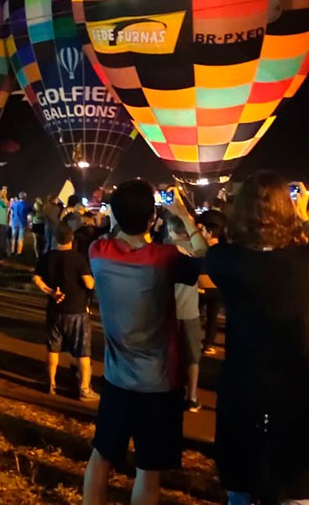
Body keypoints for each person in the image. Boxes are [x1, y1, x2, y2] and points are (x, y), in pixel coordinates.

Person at [204, 172, 309, 505]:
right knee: (298, 489)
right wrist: (306, 219)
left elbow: (208, 250)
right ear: (288, 210)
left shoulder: (225, 259)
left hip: (242, 389)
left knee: (240, 488)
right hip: (296, 391)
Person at [82, 181, 209, 505]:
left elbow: (111, 232)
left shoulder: (97, 252)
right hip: (159, 384)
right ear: (154, 217)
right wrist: (182, 214)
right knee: (148, 471)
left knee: (102, 457)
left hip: (116, 379)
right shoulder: (165, 258)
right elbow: (210, 267)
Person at [32, 222, 97, 400]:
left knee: (53, 349)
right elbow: (88, 283)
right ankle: (84, 389)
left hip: (54, 310)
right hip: (76, 311)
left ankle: (51, 384)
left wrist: (51, 292)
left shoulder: (47, 257)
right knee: (82, 351)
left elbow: (36, 278)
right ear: (72, 239)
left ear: (55, 238)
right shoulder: (78, 259)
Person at [164, 213, 202, 412]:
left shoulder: (165, 251)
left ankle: (168, 392)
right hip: (190, 311)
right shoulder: (197, 250)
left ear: (170, 229)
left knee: (167, 354)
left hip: (167, 311)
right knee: (192, 357)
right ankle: (192, 396)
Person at [196, 209, 227, 355]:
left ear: (208, 232)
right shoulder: (224, 249)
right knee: (212, 317)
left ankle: (194, 340)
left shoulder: (204, 249)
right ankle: (209, 343)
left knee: (197, 315)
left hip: (203, 288)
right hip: (218, 289)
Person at [9, 191, 29, 256]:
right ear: (25, 197)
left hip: (15, 222)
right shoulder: (26, 204)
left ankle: (12, 250)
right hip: (22, 223)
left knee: (13, 237)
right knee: (20, 238)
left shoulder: (14, 204)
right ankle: (19, 252)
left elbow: (10, 209)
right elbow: (30, 211)